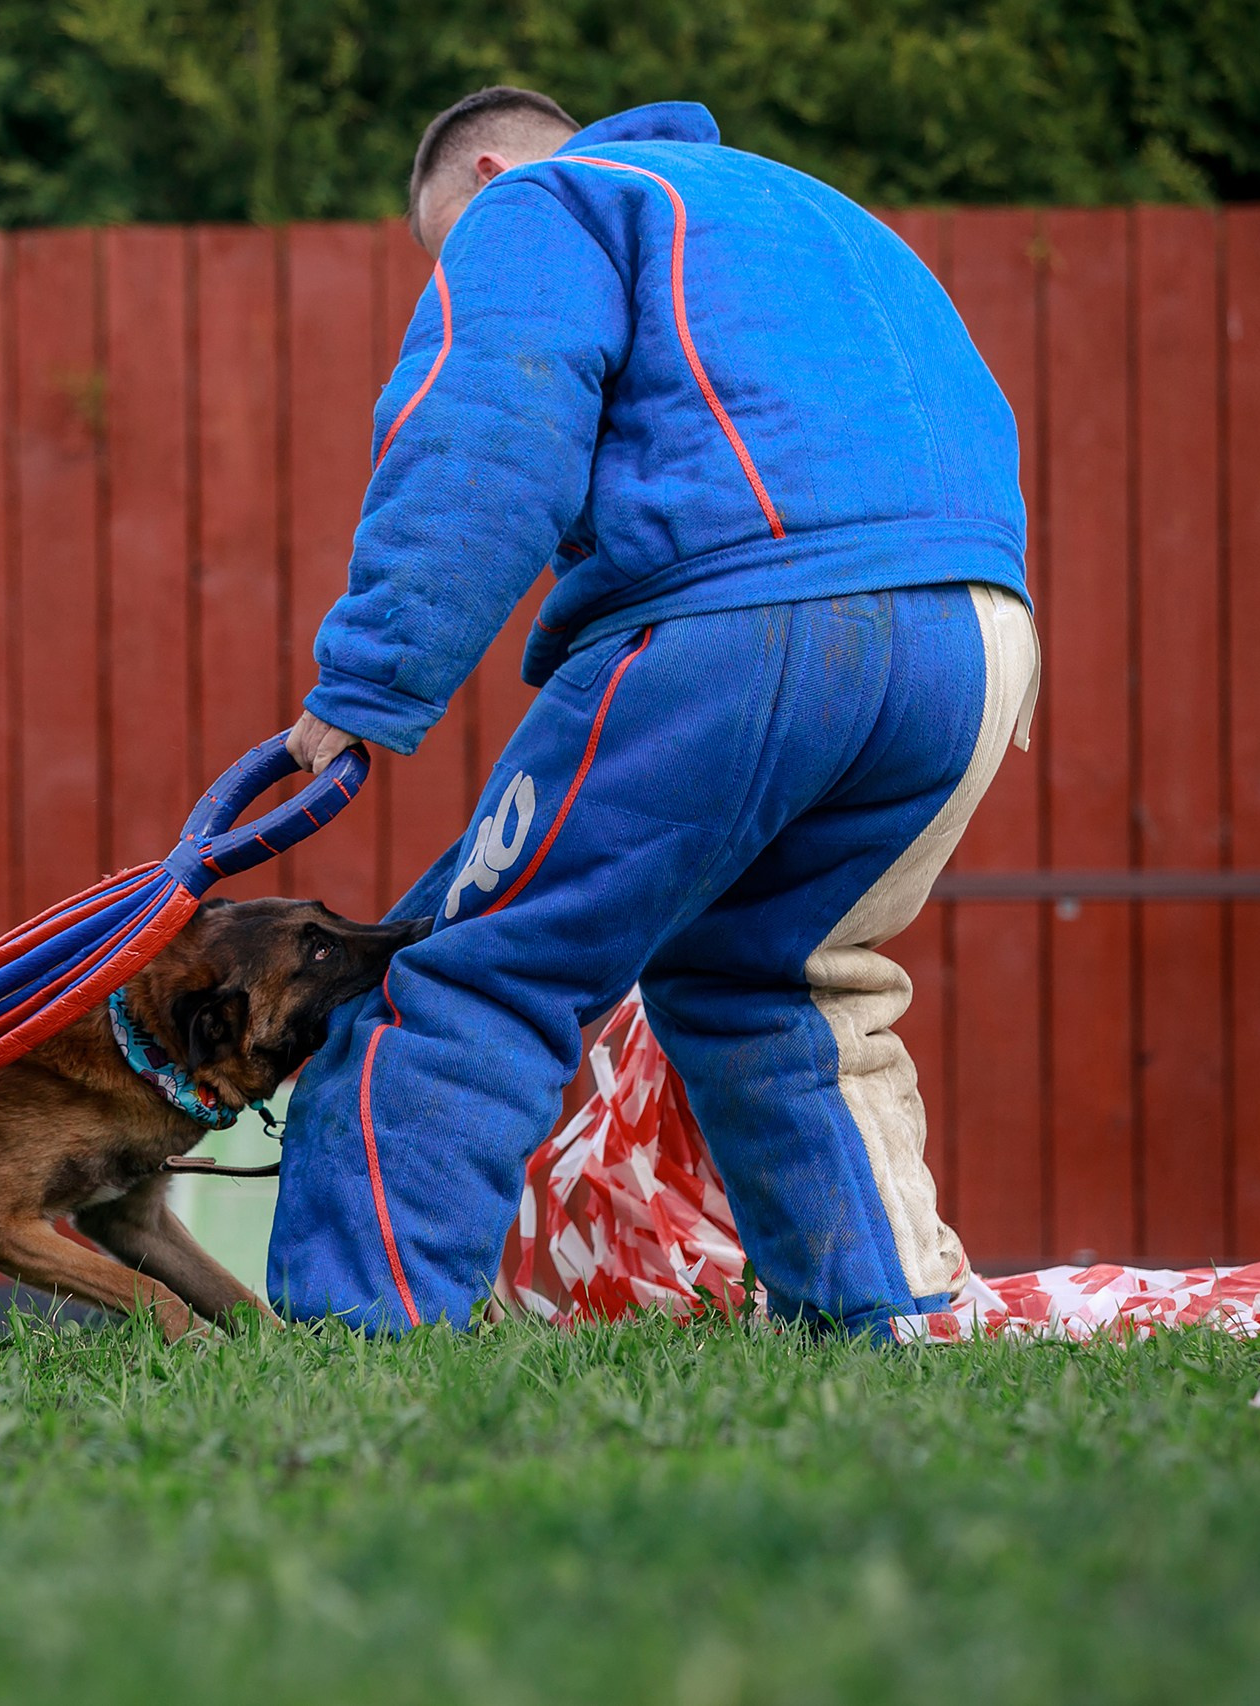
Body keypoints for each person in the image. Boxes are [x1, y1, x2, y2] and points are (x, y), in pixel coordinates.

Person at [270, 87, 1039, 1336]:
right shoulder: (805, 209)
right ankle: (881, 1319)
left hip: (746, 617)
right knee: (778, 985)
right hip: (978, 641)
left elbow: (486, 425)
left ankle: (360, 1333)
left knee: (470, 969)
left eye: (446, 250)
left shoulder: (545, 198)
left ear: (484, 174)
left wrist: (368, 682)